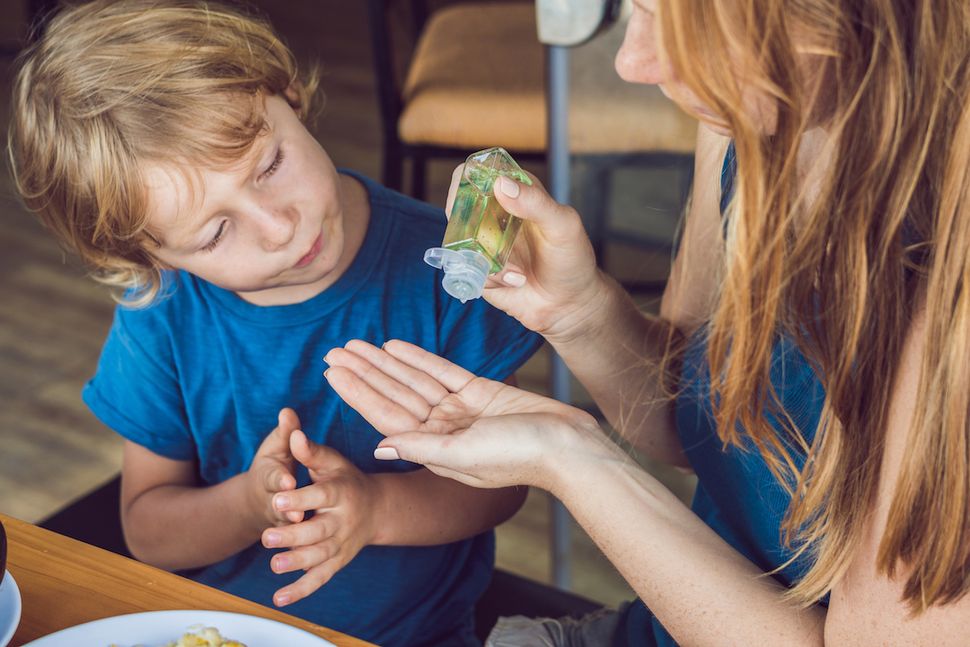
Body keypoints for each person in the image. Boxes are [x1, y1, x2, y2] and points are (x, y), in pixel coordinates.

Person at [320, 0, 970, 644]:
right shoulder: (751, 117)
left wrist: (570, 459)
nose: (632, 62)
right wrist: (578, 311)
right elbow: (695, 426)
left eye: (681, 24)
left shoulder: (950, 301)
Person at [7, 1, 544, 645]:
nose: (279, 226)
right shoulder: (162, 313)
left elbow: (505, 486)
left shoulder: (447, 274)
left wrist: (376, 510)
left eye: (269, 166)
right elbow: (149, 533)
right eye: (214, 234)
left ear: (289, 96)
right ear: (150, 259)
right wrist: (247, 504)